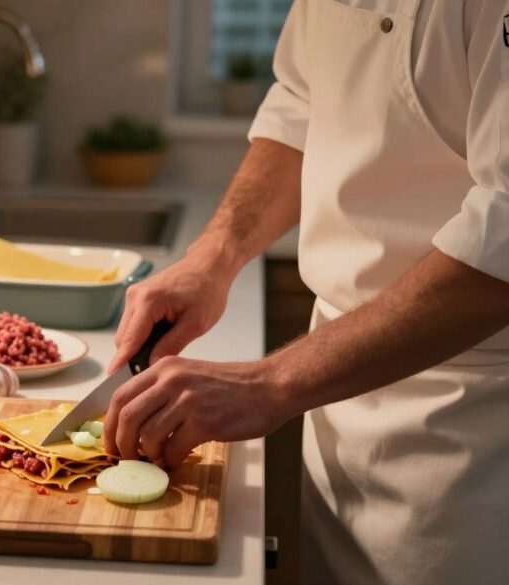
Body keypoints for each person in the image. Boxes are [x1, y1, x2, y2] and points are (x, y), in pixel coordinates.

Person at [102, 2, 509, 584]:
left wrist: (268, 383)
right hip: (336, 396)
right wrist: (213, 256)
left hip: (473, 434)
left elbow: (505, 236)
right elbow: (300, 105)